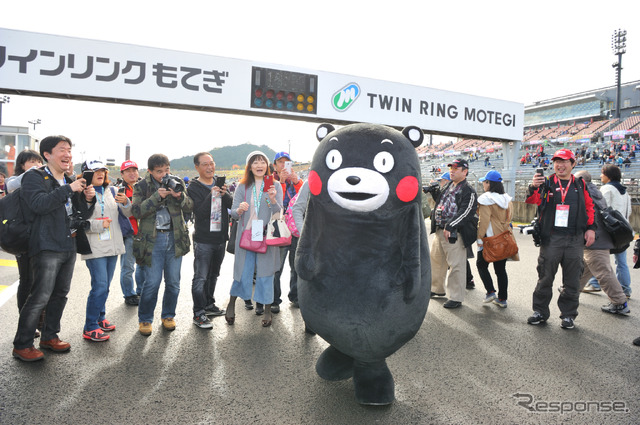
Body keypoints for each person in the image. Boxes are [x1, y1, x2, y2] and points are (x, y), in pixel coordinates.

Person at [12, 136, 90, 361]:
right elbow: (38, 205)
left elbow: (79, 214)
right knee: (40, 296)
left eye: (69, 150)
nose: (68, 154)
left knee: (60, 294)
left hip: (68, 242)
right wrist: (69, 189)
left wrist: (87, 199)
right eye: (62, 150)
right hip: (45, 244)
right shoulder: (34, 177)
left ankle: (49, 336)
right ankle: (22, 344)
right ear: (47, 154)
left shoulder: (68, 180)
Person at [525, 149, 596, 330]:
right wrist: (534, 186)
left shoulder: (580, 184)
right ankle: (540, 311)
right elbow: (532, 201)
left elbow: (589, 208)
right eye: (557, 161)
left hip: (575, 239)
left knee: (572, 280)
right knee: (545, 277)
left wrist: (591, 229)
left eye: (564, 161)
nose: (560, 165)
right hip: (552, 239)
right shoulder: (546, 182)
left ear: (573, 164)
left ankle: (568, 315)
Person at [132, 154, 193, 336]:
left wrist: (179, 196)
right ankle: (145, 319)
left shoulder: (177, 182)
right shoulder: (141, 186)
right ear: (150, 171)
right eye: (159, 172)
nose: (163, 175)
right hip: (153, 240)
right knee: (151, 283)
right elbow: (136, 211)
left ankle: (168, 316)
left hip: (175, 238)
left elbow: (190, 207)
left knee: (174, 282)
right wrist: (155, 198)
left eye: (166, 170)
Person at [225, 151, 283, 327]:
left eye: (262, 162)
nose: (259, 165)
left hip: (266, 233)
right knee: (243, 271)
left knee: (266, 273)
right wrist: (240, 210)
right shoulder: (243, 186)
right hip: (247, 232)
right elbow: (233, 212)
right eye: (255, 162)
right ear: (249, 167)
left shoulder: (275, 185)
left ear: (267, 166)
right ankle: (232, 303)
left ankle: (266, 309)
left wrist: (272, 200)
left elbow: (279, 213)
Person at [80, 160, 133, 341]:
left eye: (102, 170)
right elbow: (79, 221)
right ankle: (90, 326)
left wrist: (126, 203)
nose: (100, 173)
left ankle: (100, 317)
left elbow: (127, 214)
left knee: (105, 286)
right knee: (100, 286)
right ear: (86, 174)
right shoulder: (81, 193)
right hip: (94, 246)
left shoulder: (112, 190)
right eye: (95, 171)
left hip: (113, 245)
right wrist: (98, 225)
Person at [572, 170, 629, 315]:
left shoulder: (584, 194)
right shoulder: (596, 192)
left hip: (595, 240)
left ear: (580, 181)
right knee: (585, 267)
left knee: (604, 272)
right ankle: (572, 290)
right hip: (601, 238)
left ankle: (619, 303)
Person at [188, 152, 232, 329]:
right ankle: (198, 313)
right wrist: (211, 196)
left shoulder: (218, 183)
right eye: (205, 164)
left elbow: (230, 205)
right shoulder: (193, 187)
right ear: (197, 167)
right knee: (200, 277)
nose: (209, 167)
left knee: (214, 275)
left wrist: (224, 193)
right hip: (204, 239)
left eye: (211, 163)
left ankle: (209, 304)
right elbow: (198, 213)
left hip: (220, 238)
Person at [429, 158, 478, 309]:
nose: (452, 170)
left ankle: (456, 297)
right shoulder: (448, 185)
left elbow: (467, 211)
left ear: (465, 171)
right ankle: (436, 288)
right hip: (440, 228)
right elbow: (442, 203)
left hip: (454, 232)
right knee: (437, 261)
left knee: (456, 265)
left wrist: (451, 226)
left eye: (456, 168)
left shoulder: (468, 190)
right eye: (451, 167)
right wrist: (433, 192)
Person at [5, 150, 44, 318]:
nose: (36, 165)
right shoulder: (14, 181)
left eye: (38, 162)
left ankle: (39, 319)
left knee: (42, 282)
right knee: (27, 280)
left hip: (42, 236)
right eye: (31, 162)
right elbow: (10, 186)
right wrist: (34, 173)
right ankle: (25, 319)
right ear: (22, 165)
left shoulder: (45, 181)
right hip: (23, 238)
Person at [476, 170, 518, 308]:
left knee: (481, 265)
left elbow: (483, 221)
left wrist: (479, 238)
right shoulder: (507, 198)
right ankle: (502, 298)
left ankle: (490, 291)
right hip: (504, 237)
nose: (483, 184)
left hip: (490, 238)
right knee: (500, 270)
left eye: (484, 181)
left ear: (489, 183)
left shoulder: (486, 199)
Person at [270, 151, 303, 313]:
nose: (284, 165)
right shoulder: (271, 181)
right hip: (280, 228)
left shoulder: (298, 181)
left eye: (287, 162)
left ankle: (296, 296)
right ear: (275, 165)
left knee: (296, 266)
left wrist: (297, 183)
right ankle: (275, 300)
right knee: (277, 267)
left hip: (296, 229)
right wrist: (281, 182)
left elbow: (305, 202)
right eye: (280, 162)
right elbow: (275, 204)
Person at [118, 160, 144, 306]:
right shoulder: (120, 191)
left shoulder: (144, 188)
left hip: (144, 233)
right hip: (129, 233)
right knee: (128, 267)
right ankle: (129, 294)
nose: (132, 173)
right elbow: (125, 213)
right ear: (122, 174)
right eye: (128, 171)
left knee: (143, 265)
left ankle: (140, 290)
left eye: (134, 170)